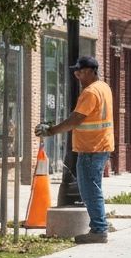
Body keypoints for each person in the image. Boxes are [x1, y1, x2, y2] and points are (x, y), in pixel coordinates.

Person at [34, 55, 114, 245]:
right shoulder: (104, 87)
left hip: (90, 148)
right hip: (100, 146)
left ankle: (99, 229)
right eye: (76, 71)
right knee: (94, 188)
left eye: (80, 71)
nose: (77, 74)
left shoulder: (90, 92)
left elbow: (76, 119)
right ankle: (100, 223)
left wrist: (51, 130)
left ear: (90, 71)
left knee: (89, 190)